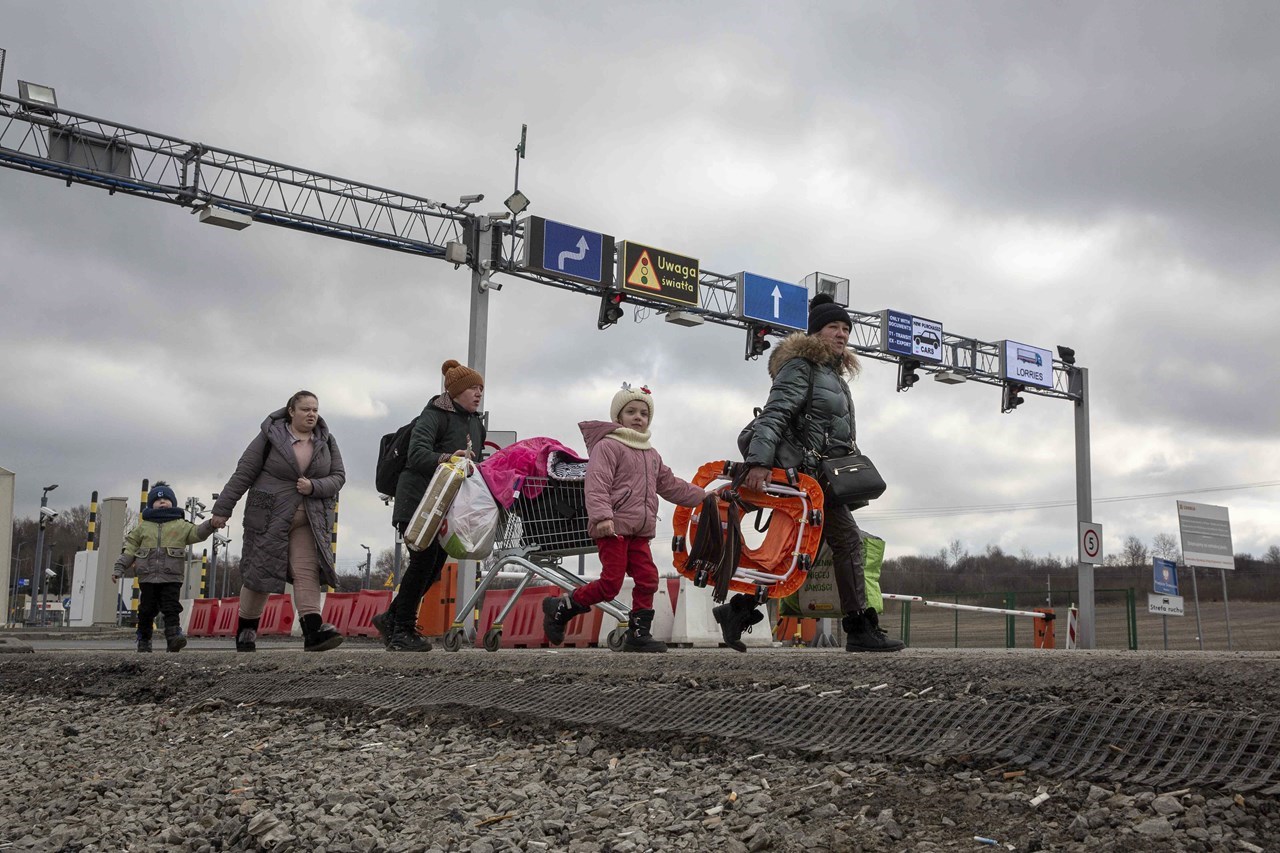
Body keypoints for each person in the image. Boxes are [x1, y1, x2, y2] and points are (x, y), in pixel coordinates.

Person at [733, 293, 905, 653]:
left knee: (793, 551)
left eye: (846, 328)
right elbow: (775, 413)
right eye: (833, 327)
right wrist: (758, 462)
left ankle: (738, 611)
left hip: (821, 477)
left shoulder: (834, 376)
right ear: (815, 332)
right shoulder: (801, 367)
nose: (842, 334)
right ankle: (859, 627)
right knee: (847, 542)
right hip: (805, 477)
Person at [542, 384, 712, 653]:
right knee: (611, 584)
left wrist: (704, 497)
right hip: (613, 529)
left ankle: (638, 634)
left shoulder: (651, 454)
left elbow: (670, 485)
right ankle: (563, 606)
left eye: (644, 413)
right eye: (631, 411)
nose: (638, 417)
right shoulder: (608, 446)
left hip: (640, 532)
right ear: (617, 418)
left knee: (648, 579)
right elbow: (597, 483)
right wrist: (602, 517)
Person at [211, 390, 346, 652]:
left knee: (306, 571)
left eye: (315, 410)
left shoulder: (326, 440)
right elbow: (244, 473)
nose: (312, 414)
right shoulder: (270, 437)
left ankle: (313, 630)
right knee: (260, 572)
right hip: (269, 516)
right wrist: (222, 508)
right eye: (306, 409)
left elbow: (339, 476)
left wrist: (314, 486)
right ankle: (246, 630)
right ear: (291, 411)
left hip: (308, 517)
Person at [374, 360, 487, 651]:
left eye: (481, 389)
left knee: (434, 565)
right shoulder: (434, 415)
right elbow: (417, 454)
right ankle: (402, 630)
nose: (479, 394)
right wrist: (448, 457)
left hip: (445, 504)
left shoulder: (475, 422)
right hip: (418, 502)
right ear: (457, 391)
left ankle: (391, 619)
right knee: (424, 562)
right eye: (474, 388)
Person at [113, 482, 215, 653]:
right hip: (147, 577)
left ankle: (174, 637)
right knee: (146, 610)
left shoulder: (180, 525)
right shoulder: (143, 528)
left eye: (167, 499)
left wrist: (211, 524)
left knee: (171, 607)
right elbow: (129, 548)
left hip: (171, 576)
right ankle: (144, 639)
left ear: (173, 503)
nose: (163, 502)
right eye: (158, 499)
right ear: (151, 504)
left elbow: (198, 533)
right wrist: (119, 567)